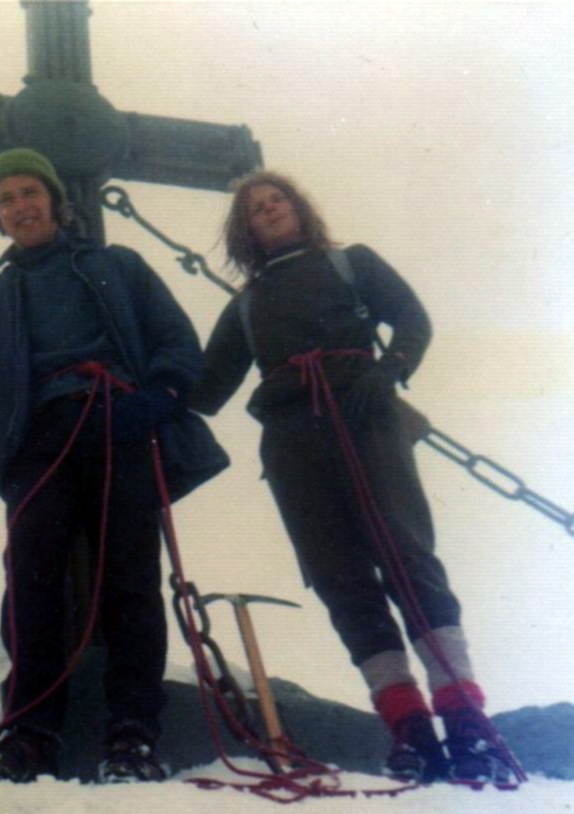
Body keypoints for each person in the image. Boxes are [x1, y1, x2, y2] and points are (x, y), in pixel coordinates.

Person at [0, 148, 227, 784]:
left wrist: (158, 396)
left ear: (54, 200)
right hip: (34, 443)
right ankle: (30, 733)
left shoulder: (118, 266)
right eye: (6, 200)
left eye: (29, 193)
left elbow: (175, 338)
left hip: (118, 424)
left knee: (131, 578)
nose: (20, 206)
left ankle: (133, 733)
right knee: (30, 580)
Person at [189, 170, 516, 786]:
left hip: (367, 418)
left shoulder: (351, 263)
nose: (269, 211)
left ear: (297, 207)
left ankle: (467, 724)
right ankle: (411, 731)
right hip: (292, 441)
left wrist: (387, 370)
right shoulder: (246, 306)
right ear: (246, 231)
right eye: (256, 211)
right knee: (340, 578)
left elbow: (412, 319)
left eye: (275, 201)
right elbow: (206, 389)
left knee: (407, 556)